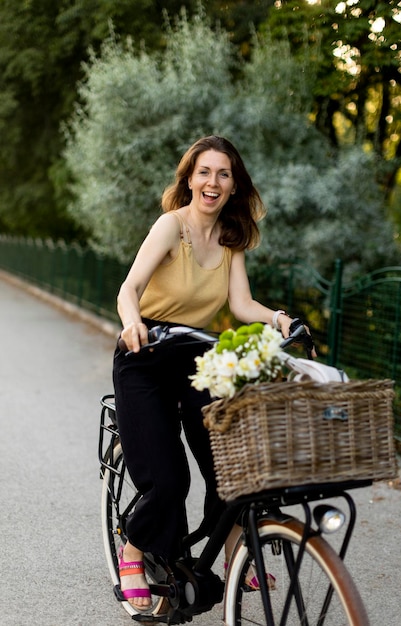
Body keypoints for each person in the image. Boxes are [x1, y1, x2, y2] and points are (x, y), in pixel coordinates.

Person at [113, 135, 309, 609]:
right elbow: (129, 288)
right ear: (190, 179)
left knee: (229, 463)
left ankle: (232, 554)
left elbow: (241, 305)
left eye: (223, 174)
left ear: (234, 184)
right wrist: (133, 323)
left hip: (195, 357)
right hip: (146, 354)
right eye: (204, 172)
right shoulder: (170, 227)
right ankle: (134, 548)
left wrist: (279, 319)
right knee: (169, 479)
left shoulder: (229, 239)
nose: (213, 182)